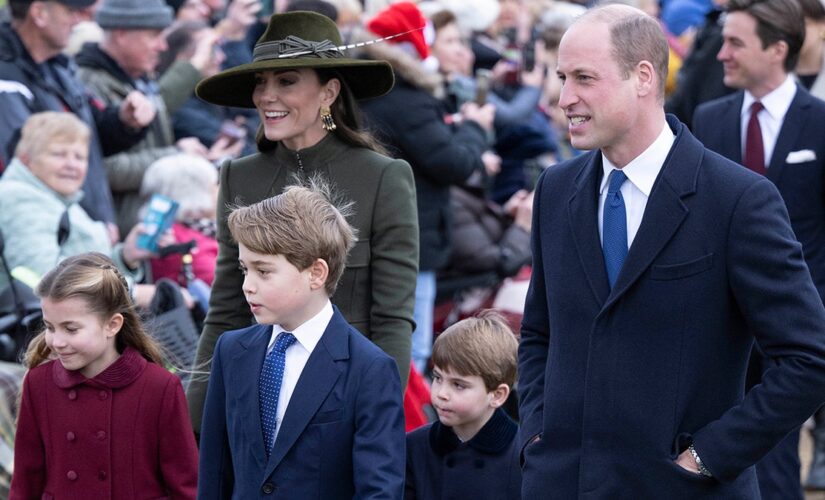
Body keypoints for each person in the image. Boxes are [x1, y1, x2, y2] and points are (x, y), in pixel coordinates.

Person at [518, 4, 825, 497]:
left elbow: (809, 358)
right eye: (561, 77)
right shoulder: (556, 189)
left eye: (583, 78)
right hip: (560, 483)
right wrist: (537, 434)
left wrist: (706, 459)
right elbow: (539, 334)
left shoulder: (736, 200)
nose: (564, 98)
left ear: (642, 77)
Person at [187, 10, 418, 435]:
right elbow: (224, 313)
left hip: (340, 404)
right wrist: (194, 426)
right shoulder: (240, 176)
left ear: (328, 91)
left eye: (287, 80)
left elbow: (392, 320)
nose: (266, 96)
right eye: (261, 82)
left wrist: (376, 422)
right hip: (255, 406)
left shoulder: (383, 177)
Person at [691, 0, 825, 496]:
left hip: (795, 323)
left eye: (736, 43)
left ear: (777, 49)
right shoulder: (709, 119)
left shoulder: (820, 121)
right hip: (718, 324)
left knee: (777, 455)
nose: (722, 53)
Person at [197, 182, 405, 498]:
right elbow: (215, 472)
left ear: (316, 273)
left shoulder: (369, 369)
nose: (247, 286)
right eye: (244, 270)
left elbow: (379, 490)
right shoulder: (232, 350)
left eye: (263, 272)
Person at [359, 1, 494, 374]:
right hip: (410, 236)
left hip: (376, 231)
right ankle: (403, 426)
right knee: (410, 348)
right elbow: (452, 163)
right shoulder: (407, 98)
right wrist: (475, 128)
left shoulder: (365, 90)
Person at [9, 252, 198, 499]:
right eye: (49, 327)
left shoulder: (159, 387)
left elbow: (186, 485)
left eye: (71, 329)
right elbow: (25, 482)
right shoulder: (38, 383)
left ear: (112, 325)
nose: (56, 341)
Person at [0, 0, 155, 240]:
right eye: (71, 11)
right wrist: (89, 228)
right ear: (39, 13)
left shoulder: (60, 68)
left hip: (81, 235)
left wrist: (124, 120)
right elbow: (25, 164)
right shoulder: (6, 79)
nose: (78, 20)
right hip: (43, 237)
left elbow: (92, 135)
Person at [75, 0, 227, 236]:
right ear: (121, 34)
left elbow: (163, 102)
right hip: (124, 233)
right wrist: (176, 156)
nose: (162, 45)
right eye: (154, 36)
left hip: (147, 226)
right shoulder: (89, 83)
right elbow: (100, 168)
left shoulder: (137, 77)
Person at [0, 112, 166, 308]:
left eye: (80, 157)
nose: (72, 165)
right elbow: (43, 277)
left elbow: (82, 266)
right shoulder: (19, 197)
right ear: (27, 159)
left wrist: (125, 257)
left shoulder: (60, 199)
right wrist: (131, 292)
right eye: (59, 154)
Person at [405, 310, 521, 500]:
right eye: (437, 378)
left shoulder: (523, 456)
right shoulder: (414, 447)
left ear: (497, 395)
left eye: (458, 385)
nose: (441, 394)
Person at [140, 153, 219, 287]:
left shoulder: (202, 228)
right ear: (195, 193)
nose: (220, 190)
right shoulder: (173, 240)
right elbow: (219, 282)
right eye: (214, 185)